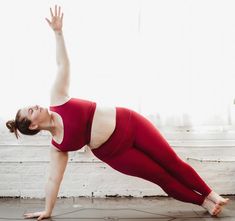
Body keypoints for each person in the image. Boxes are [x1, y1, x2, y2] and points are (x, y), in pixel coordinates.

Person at [6, 5, 229, 221]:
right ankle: (206, 205)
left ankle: (211, 194)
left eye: (31, 105)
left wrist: (58, 33)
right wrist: (47, 210)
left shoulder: (57, 98)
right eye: (30, 111)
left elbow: (63, 64)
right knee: (161, 177)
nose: (34, 106)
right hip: (115, 154)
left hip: (130, 123)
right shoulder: (58, 147)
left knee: (171, 161)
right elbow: (54, 179)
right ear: (33, 126)